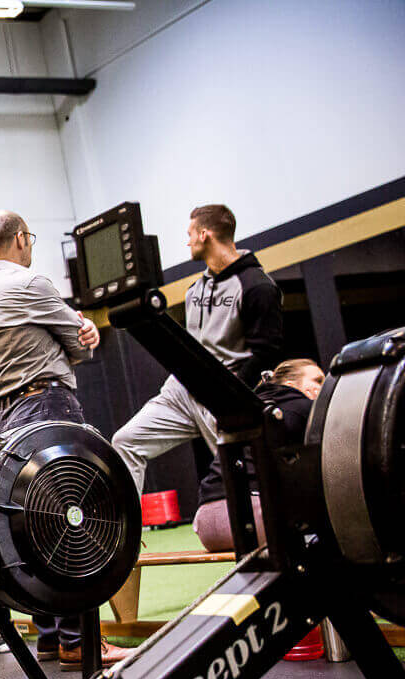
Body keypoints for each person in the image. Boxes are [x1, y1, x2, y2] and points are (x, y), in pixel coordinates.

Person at [0, 210, 125, 669]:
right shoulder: (30, 284)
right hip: (47, 403)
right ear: (21, 239)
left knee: (34, 526)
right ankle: (81, 639)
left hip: (8, 416)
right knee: (74, 519)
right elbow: (79, 343)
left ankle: (54, 634)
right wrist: (86, 337)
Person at [112, 204, 285, 493]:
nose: (187, 241)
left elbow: (267, 352)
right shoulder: (195, 290)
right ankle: (128, 531)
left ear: (205, 234)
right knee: (125, 441)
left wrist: (230, 393)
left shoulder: (258, 286)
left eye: (190, 233)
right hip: (180, 392)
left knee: (246, 476)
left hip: (221, 395)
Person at [193, 359, 322, 552]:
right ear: (290, 386)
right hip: (253, 518)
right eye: (318, 381)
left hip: (205, 525)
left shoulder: (248, 406)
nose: (324, 386)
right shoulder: (304, 406)